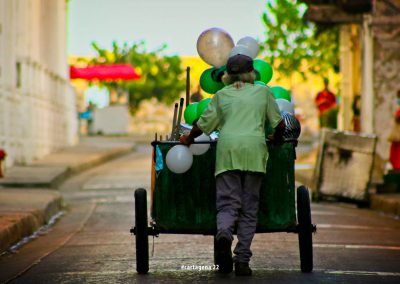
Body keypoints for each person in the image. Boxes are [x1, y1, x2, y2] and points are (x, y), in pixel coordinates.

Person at [180, 54, 284, 276]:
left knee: (228, 204)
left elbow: (202, 125)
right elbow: (279, 123)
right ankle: (242, 262)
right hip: (255, 152)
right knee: (249, 208)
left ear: (227, 75)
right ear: (251, 74)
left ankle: (224, 234)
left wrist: (188, 139)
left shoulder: (221, 95)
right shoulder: (263, 92)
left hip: (228, 153)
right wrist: (277, 138)